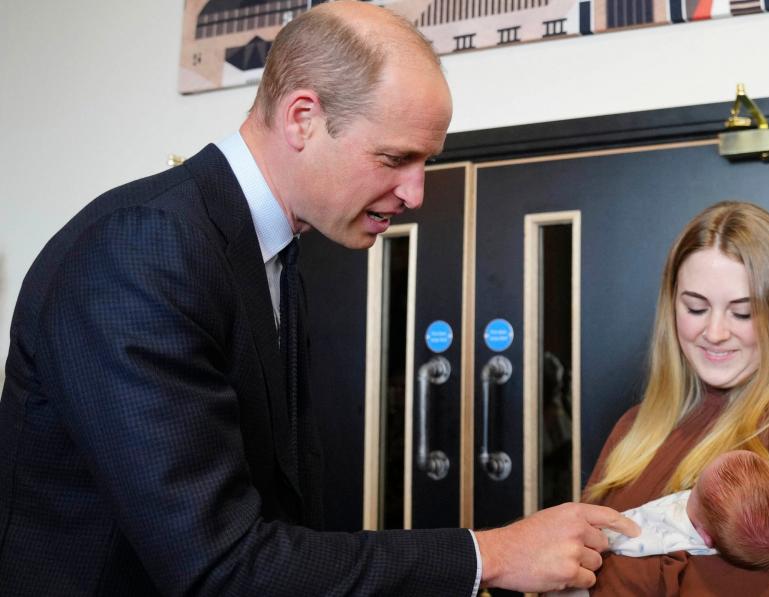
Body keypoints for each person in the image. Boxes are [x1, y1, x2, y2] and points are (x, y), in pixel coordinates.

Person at [0, 3, 637, 595]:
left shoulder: (273, 251)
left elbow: (280, 520)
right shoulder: (144, 248)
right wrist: (488, 555)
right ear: (303, 118)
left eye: (425, 163)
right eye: (395, 158)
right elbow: (217, 564)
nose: (415, 193)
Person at [583, 201, 769, 595]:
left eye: (742, 313)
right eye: (695, 307)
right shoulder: (635, 427)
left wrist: (603, 579)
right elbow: (571, 556)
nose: (716, 332)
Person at [548, 449, 769, 597]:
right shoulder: (717, 519)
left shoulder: (668, 537)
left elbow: (618, 541)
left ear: (706, 539)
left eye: (695, 493)